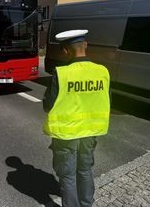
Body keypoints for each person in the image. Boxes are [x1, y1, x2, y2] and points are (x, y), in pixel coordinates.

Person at [43, 30, 110, 207]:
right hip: (90, 131)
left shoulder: (62, 73)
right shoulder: (102, 71)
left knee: (68, 175)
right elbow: (106, 99)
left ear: (65, 51)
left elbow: (47, 105)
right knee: (85, 169)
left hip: (66, 134)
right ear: (86, 45)